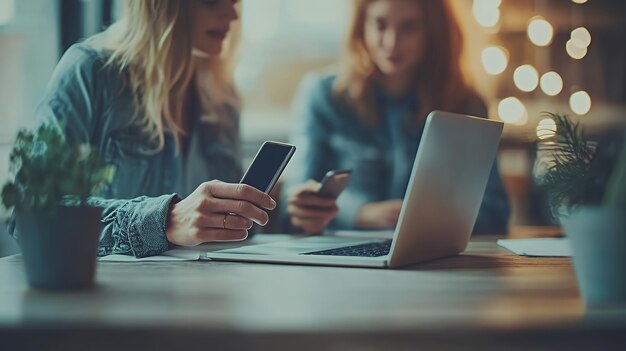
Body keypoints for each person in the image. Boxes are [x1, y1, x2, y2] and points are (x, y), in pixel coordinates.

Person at [10, 0, 290, 258]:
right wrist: (165, 221)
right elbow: (31, 211)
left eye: (234, 1)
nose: (232, 14)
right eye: (212, 0)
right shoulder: (90, 72)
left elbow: (234, 229)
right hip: (113, 296)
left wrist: (285, 209)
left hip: (206, 291)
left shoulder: (220, 95)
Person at [283, 0, 510, 235]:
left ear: (433, 31)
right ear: (362, 27)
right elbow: (292, 206)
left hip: (432, 258)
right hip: (341, 253)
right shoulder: (323, 96)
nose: (392, 42)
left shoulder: (465, 104)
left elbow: (494, 211)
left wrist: (422, 220)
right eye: (380, 26)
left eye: (409, 27)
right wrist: (361, 214)